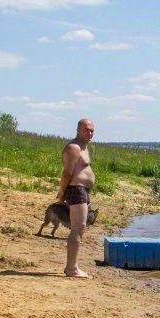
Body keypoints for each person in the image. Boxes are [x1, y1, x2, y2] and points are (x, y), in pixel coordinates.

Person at [57, 118, 95, 278]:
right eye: (86, 130)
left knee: (79, 228)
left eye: (92, 131)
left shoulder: (84, 147)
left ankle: (72, 266)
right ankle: (72, 268)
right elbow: (67, 173)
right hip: (76, 190)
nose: (90, 133)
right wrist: (61, 193)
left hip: (82, 190)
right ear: (78, 129)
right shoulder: (73, 148)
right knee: (78, 229)